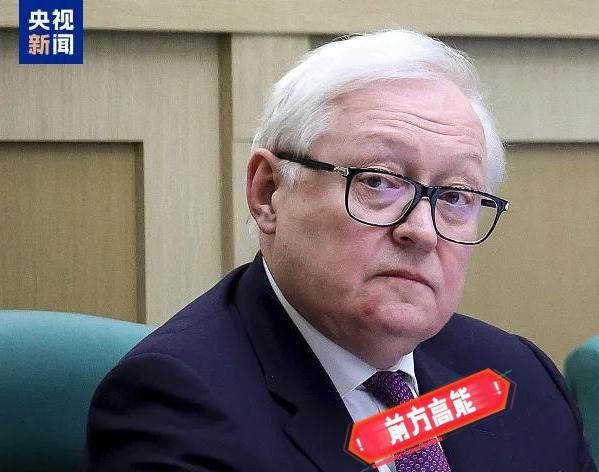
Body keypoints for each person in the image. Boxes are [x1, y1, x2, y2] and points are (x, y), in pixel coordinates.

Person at [84, 30, 597, 471]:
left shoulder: (516, 376)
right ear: (268, 192)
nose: (423, 231)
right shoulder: (176, 403)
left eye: (456, 197)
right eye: (378, 181)